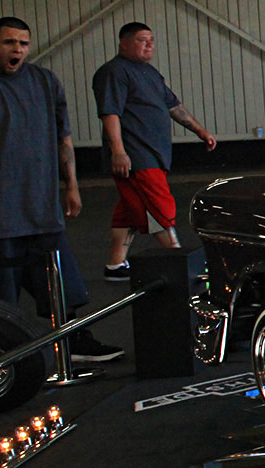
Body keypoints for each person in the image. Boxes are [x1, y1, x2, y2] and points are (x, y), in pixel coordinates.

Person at [0, 17, 123, 363]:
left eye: (23, 43)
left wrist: (72, 187)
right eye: (8, 42)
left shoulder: (44, 81)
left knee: (61, 286)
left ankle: (72, 341)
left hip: (40, 208)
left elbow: (63, 137)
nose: (17, 50)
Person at [92, 21, 214, 280]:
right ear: (124, 44)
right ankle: (181, 263)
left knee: (130, 209)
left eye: (152, 39)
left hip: (155, 154)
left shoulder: (150, 74)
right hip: (137, 155)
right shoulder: (114, 72)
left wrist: (200, 131)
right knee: (159, 207)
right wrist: (119, 151)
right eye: (142, 39)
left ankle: (115, 265)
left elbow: (173, 107)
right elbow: (110, 113)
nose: (149, 44)